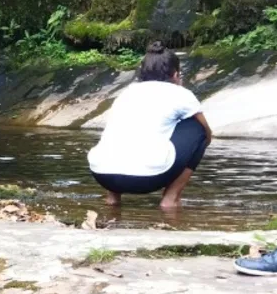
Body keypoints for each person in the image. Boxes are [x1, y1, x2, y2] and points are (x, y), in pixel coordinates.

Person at [87, 42, 212, 209]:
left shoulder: (127, 92)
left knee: (125, 128)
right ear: (175, 74)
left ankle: (112, 199)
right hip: (148, 179)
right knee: (198, 129)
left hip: (102, 174)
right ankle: (170, 200)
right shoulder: (180, 93)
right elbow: (206, 131)